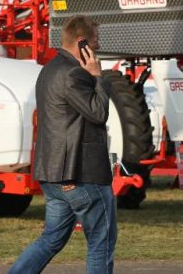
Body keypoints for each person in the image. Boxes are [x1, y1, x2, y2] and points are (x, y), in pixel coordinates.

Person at [10, 15, 116, 274]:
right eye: (95, 42)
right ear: (83, 43)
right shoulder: (75, 74)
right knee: (100, 243)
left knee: (51, 240)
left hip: (53, 175)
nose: (98, 48)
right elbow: (98, 113)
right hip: (80, 175)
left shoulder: (49, 70)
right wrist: (98, 77)